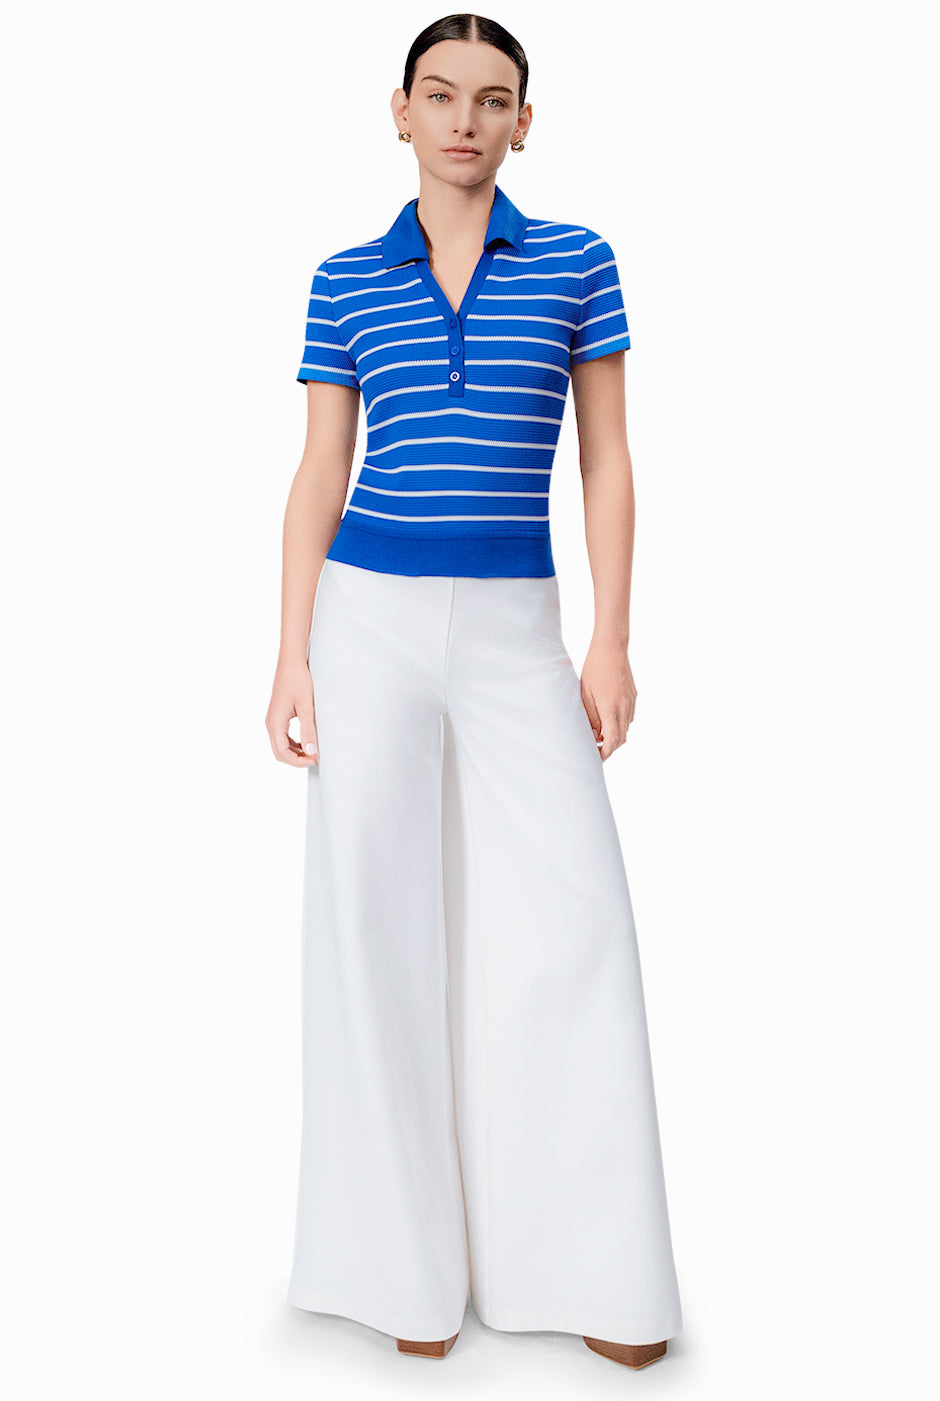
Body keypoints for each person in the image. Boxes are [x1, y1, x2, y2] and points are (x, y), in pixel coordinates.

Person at [265, 12, 684, 1370]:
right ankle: (406, 1277)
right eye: (439, 95)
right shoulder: (344, 277)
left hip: (517, 630)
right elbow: (321, 469)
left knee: (577, 922)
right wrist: (290, 651)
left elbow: (607, 461)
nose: (464, 119)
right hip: (366, 619)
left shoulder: (577, 261)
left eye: (492, 99)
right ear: (398, 112)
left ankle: (603, 1272)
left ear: (523, 123)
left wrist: (612, 640)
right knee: (373, 928)